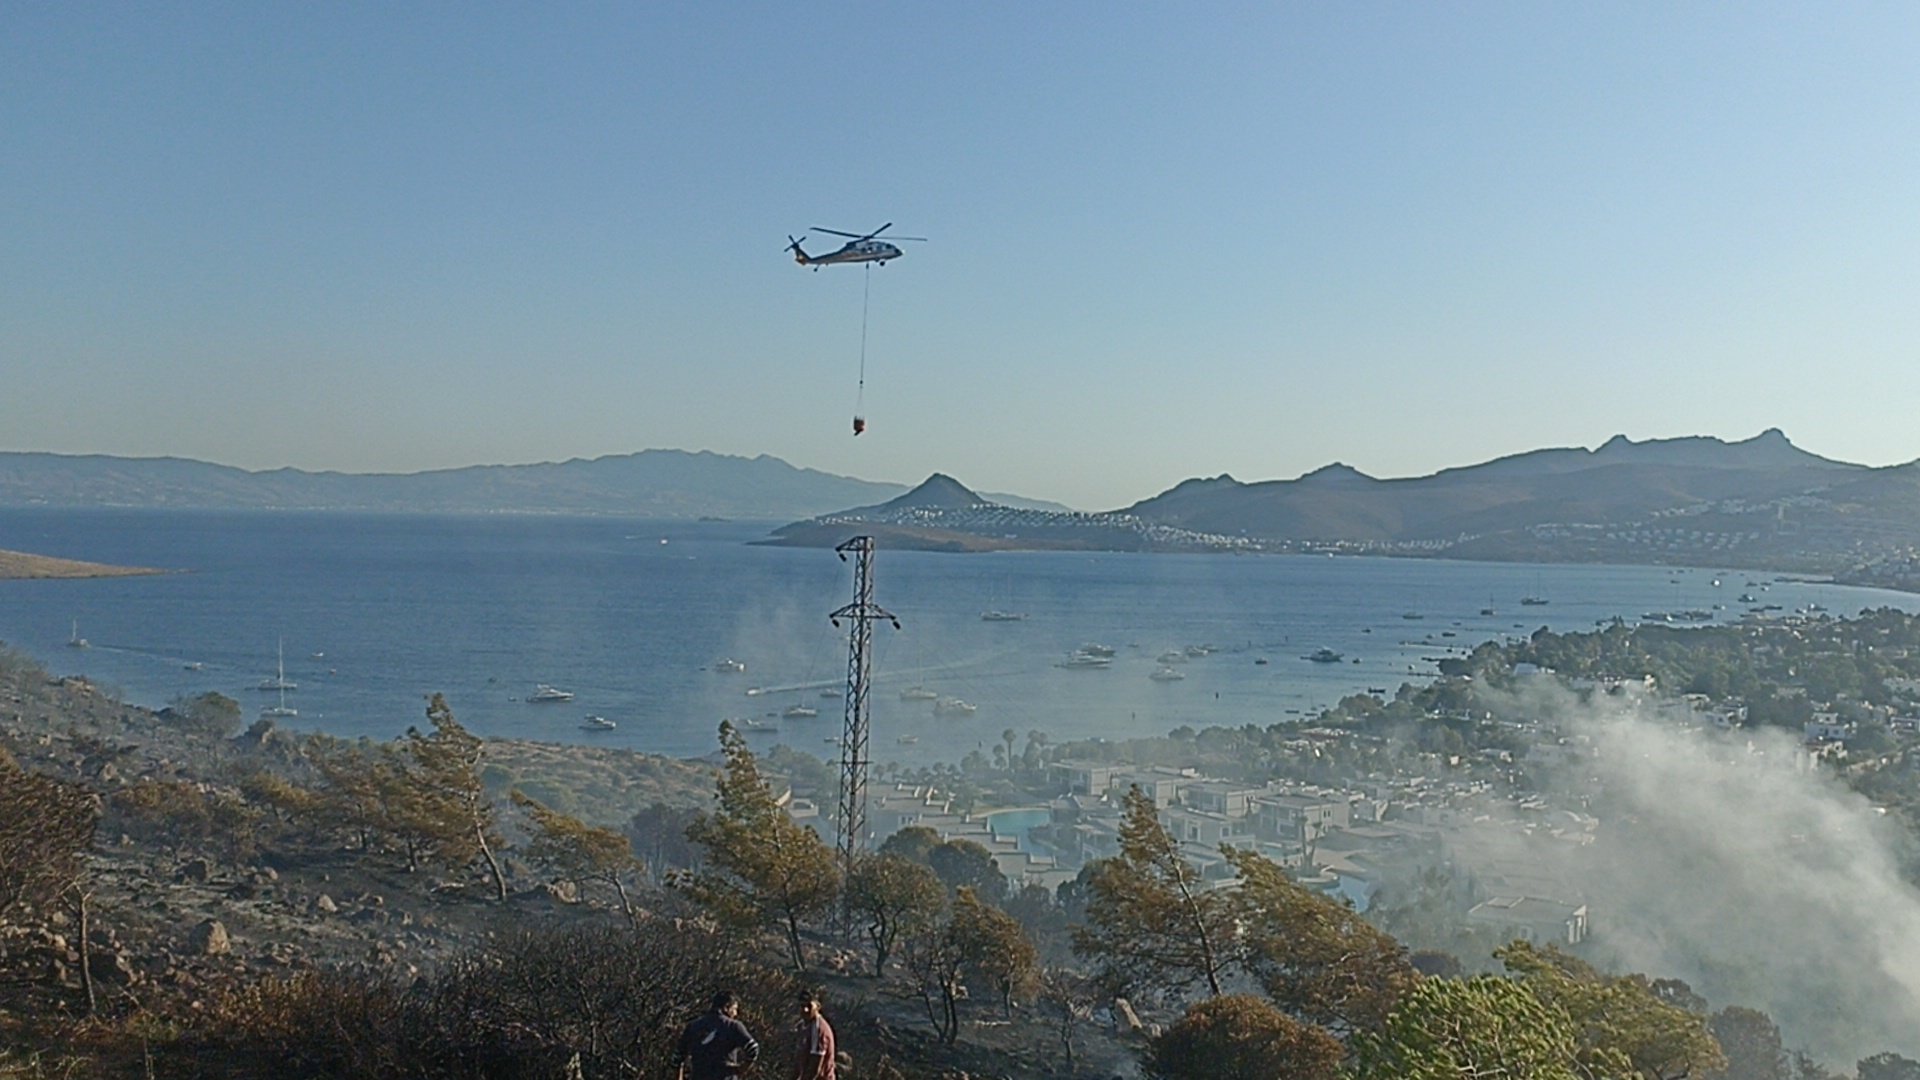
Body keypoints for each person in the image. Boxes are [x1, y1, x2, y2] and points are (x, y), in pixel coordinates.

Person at [678, 991, 760, 1080]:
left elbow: (677, 1057)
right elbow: (753, 1048)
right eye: (734, 1009)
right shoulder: (733, 1026)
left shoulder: (693, 1026)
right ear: (727, 1007)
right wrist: (742, 1068)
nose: (735, 1013)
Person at [793, 993, 836, 1080]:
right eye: (802, 1006)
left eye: (809, 1006)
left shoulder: (819, 1029)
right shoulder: (801, 1026)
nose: (805, 1009)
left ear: (818, 1007)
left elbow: (815, 1068)